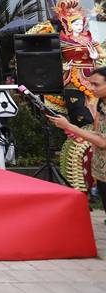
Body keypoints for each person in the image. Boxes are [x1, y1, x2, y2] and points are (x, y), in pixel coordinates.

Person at [47, 67, 106, 212]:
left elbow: (103, 142)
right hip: (101, 171)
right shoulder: (101, 102)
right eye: (90, 83)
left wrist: (69, 127)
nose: (91, 88)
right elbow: (97, 132)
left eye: (96, 84)